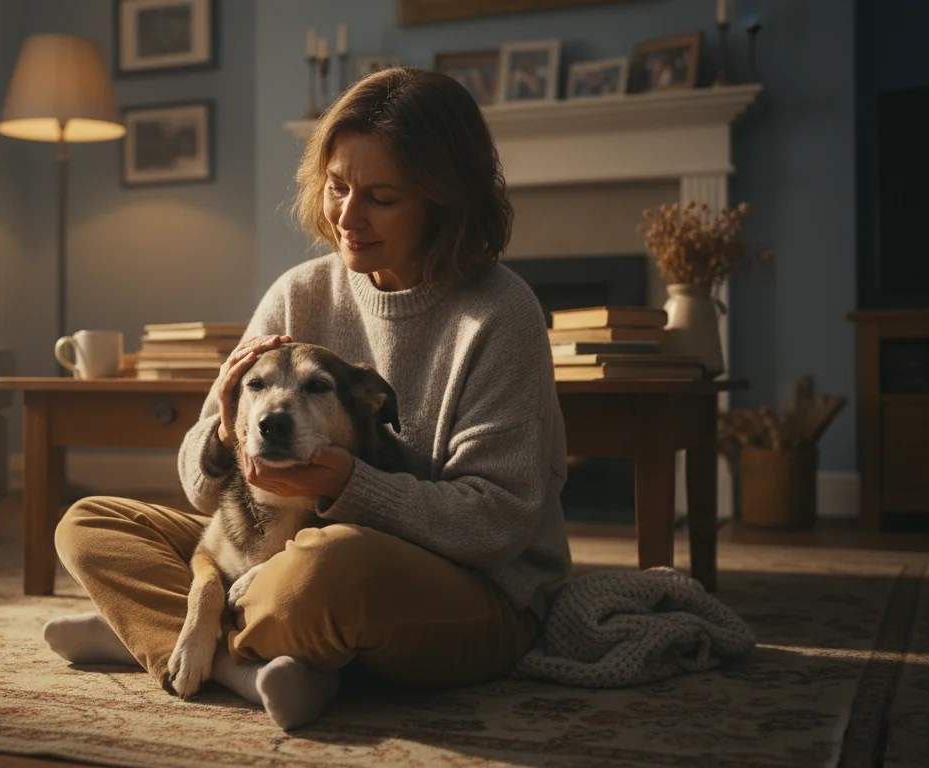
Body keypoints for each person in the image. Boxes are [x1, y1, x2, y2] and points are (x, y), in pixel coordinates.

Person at [42, 67, 572, 731]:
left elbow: (496, 524)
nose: (347, 217)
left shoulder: (500, 314)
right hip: (278, 544)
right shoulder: (299, 293)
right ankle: (247, 665)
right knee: (89, 524)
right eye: (338, 186)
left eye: (381, 197)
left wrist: (350, 483)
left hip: (474, 589)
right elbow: (201, 485)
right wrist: (224, 438)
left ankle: (148, 628)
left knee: (324, 573)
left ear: (445, 203)